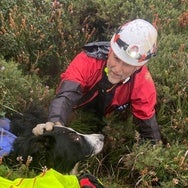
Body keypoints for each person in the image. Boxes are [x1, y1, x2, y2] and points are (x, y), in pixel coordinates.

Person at [32, 19, 161, 143]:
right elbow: (67, 94)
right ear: (110, 50)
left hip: (108, 121)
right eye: (116, 58)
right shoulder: (88, 61)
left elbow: (148, 125)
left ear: (138, 66)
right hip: (75, 109)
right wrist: (56, 121)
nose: (117, 69)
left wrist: (153, 154)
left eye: (127, 64)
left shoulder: (142, 83)